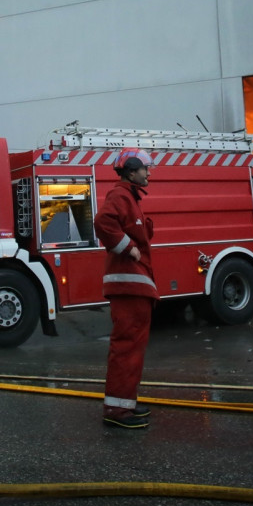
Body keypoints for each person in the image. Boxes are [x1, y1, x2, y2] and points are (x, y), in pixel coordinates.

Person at [93, 147, 157, 429]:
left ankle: (124, 405)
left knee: (132, 349)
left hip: (135, 287)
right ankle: (117, 412)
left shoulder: (129, 197)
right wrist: (128, 248)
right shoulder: (121, 195)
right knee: (127, 348)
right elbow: (103, 222)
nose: (149, 173)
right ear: (132, 170)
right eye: (145, 168)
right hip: (129, 287)